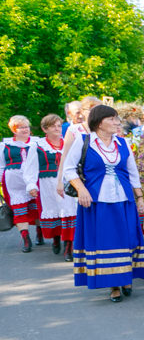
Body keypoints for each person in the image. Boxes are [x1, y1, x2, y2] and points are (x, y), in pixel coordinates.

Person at [63, 105, 144, 302]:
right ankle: (113, 285)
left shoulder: (122, 143)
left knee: (128, 240)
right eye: (112, 119)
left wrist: (140, 198)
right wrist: (82, 190)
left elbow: (132, 172)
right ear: (99, 122)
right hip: (97, 201)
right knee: (105, 242)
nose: (117, 122)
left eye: (117, 119)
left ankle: (126, 277)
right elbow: (69, 169)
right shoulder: (84, 141)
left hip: (124, 199)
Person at [23, 114, 78, 261]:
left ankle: (68, 247)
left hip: (68, 183)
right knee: (54, 213)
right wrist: (31, 185)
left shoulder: (69, 143)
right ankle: (55, 238)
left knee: (70, 212)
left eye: (59, 125)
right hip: (47, 185)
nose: (57, 128)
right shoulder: (38, 146)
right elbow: (30, 167)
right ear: (44, 129)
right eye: (53, 126)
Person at [1, 115, 42, 252]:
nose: (25, 129)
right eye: (21, 127)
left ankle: (40, 231)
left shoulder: (37, 143)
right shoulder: (4, 145)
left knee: (37, 207)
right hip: (14, 181)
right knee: (19, 209)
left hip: (34, 178)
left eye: (26, 126)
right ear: (14, 129)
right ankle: (25, 238)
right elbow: (1, 166)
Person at [55, 96, 101, 197]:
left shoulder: (103, 130)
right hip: (79, 176)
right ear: (83, 111)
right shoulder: (74, 130)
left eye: (98, 109)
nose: (95, 113)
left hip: (98, 176)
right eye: (90, 109)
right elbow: (65, 156)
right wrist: (60, 181)